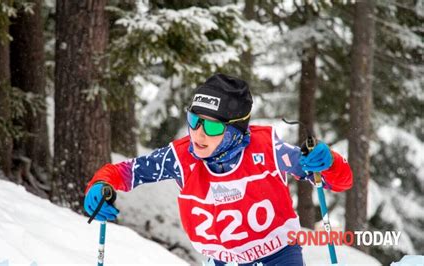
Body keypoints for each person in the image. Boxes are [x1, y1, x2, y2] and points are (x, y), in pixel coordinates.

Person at [84, 73, 353, 265]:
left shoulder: (268, 150)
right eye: (194, 120)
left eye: (212, 126)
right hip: (222, 261)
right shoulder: (180, 158)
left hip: (278, 256)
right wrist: (98, 186)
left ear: (236, 131)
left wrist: (328, 162)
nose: (198, 133)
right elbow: (123, 172)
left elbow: (337, 182)